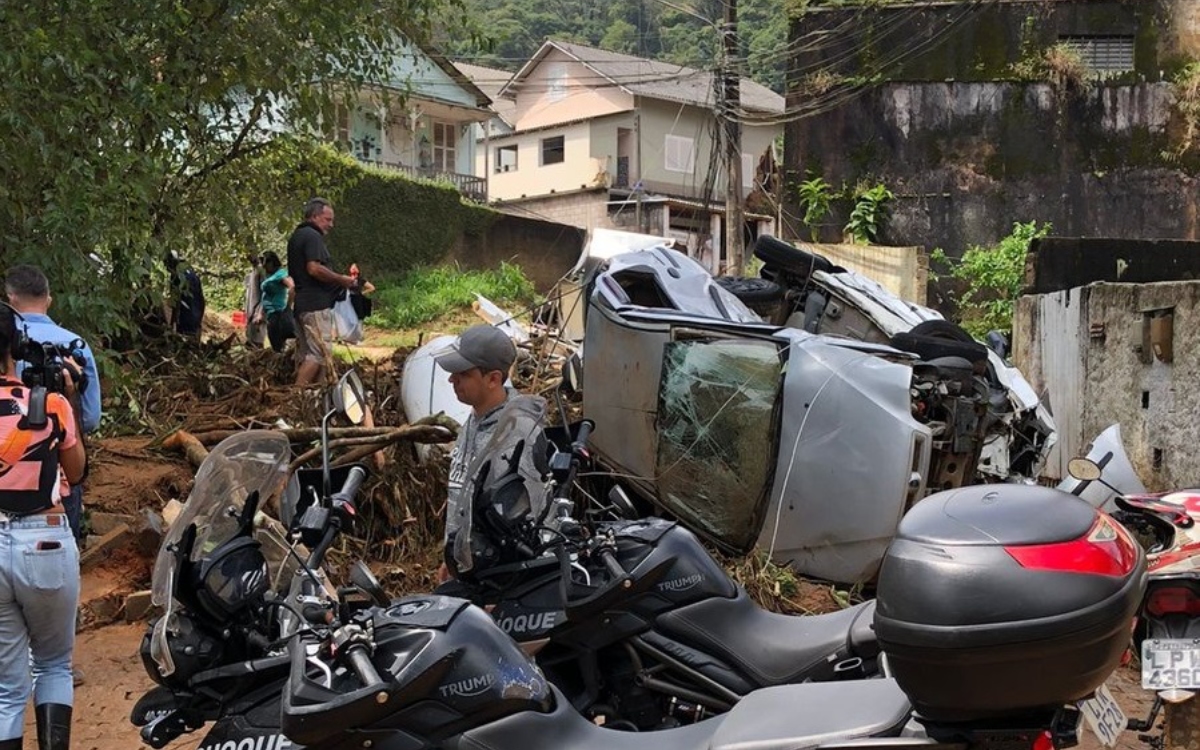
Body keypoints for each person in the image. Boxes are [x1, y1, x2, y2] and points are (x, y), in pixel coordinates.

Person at [0, 301, 86, 750]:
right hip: (45, 538)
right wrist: (68, 400)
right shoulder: (49, 404)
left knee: (5, 689)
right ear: (14, 346)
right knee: (53, 665)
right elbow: (76, 471)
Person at [433, 324, 547, 582]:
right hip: (472, 566)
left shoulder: (519, 434)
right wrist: (453, 555)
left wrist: (510, 590)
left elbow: (536, 518)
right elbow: (461, 495)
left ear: (493, 378)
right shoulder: (473, 421)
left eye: (462, 373)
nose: (452, 379)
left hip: (501, 579)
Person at [4, 265, 101, 544]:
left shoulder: (6, 344)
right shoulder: (75, 345)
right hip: (60, 476)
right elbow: (91, 418)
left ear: (11, 299)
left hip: (7, 473)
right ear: (48, 299)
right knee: (60, 556)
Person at [286, 198, 360, 385]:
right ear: (315, 216)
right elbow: (314, 268)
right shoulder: (312, 236)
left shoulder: (297, 236)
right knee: (318, 355)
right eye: (328, 219)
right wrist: (340, 279)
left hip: (303, 304)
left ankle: (314, 397)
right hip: (315, 305)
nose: (331, 224)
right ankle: (296, 397)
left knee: (314, 355)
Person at [256, 251, 295, 353]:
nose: (264, 267)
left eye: (265, 264)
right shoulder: (270, 276)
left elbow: (292, 287)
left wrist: (288, 307)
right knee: (275, 345)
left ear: (272, 262)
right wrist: (261, 313)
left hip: (278, 314)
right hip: (270, 314)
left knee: (277, 347)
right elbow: (266, 295)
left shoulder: (280, 274)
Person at [165, 252, 206, 336]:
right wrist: (199, 321)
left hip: (185, 319)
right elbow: (201, 300)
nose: (166, 268)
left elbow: (176, 302)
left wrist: (172, 324)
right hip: (195, 317)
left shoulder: (176, 276)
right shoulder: (193, 274)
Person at [243, 253, 267, 349]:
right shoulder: (253, 271)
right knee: (250, 342)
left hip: (257, 314)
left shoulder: (261, 271)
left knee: (257, 343)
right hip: (251, 313)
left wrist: (260, 312)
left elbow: (266, 294)